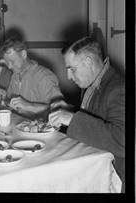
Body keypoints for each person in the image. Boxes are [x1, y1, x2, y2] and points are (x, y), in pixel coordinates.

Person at [48, 36, 125, 192]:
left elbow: (122, 140)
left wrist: (72, 119)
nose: (69, 76)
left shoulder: (118, 89)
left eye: (72, 69)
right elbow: (98, 117)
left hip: (114, 175)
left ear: (89, 62)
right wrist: (70, 110)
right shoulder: (95, 82)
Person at [0, 38, 64, 115]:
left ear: (23, 54)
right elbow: (12, 104)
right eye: (7, 63)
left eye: (12, 61)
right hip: (20, 124)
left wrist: (29, 106)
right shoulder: (15, 75)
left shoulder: (44, 77)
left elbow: (59, 108)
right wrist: (4, 98)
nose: (9, 66)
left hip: (42, 125)